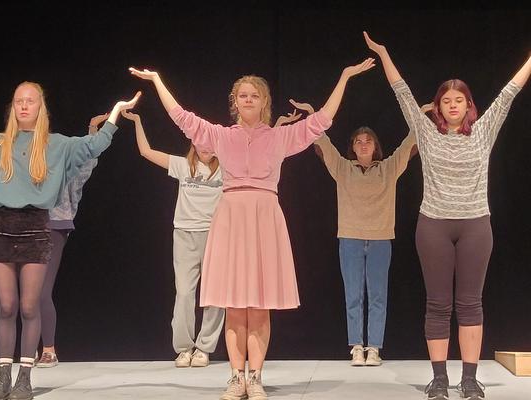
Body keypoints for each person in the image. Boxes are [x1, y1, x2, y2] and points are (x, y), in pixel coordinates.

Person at [129, 58, 375, 400]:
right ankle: (235, 377)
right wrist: (157, 81)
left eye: (254, 96)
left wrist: (345, 76)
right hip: (231, 219)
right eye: (242, 96)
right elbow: (181, 118)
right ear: (234, 102)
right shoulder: (219, 136)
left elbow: (321, 122)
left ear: (264, 103)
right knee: (234, 305)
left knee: (259, 306)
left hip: (264, 218)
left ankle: (255, 377)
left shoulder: (279, 137)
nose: (248, 100)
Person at [0, 82, 140, 400]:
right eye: (18, 101)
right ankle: (3, 378)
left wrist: (115, 112)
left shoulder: (57, 146)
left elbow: (95, 145)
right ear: (12, 107)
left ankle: (24, 378)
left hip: (37, 227)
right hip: (0, 227)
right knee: (6, 306)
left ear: (41, 108)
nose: (24, 106)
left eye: (30, 101)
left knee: (30, 306)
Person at [364, 31, 531, 399]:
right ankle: (439, 379)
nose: (452, 104)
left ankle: (469, 380)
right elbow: (401, 92)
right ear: (437, 106)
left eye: (459, 99)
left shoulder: (484, 131)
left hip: (475, 225)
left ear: (468, 105)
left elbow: (509, 92)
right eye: (446, 100)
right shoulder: (425, 132)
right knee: (438, 303)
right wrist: (384, 53)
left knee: (471, 303)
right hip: (434, 226)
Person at [289, 96, 417, 367]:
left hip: (381, 238)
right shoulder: (343, 168)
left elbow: (410, 143)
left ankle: (374, 348)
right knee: (354, 294)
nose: (363, 144)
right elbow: (321, 141)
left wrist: (420, 115)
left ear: (375, 145)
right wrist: (313, 116)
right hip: (349, 238)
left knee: (378, 295)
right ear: (352, 147)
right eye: (358, 141)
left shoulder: (389, 168)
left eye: (368, 140)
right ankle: (356, 346)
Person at [123, 109, 225, 368]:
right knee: (184, 293)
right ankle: (184, 348)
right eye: (201, 141)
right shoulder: (182, 165)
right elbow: (146, 152)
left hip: (215, 237)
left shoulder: (226, 170)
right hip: (184, 235)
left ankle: (204, 348)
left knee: (214, 296)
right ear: (193, 141)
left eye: (211, 143)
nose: (206, 147)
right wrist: (137, 120)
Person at [35, 112, 110, 368]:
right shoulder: (22, 155)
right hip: (25, 225)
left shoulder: (63, 154)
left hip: (55, 224)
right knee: (26, 294)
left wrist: (92, 129)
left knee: (42, 290)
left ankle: (48, 349)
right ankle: (29, 349)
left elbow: (87, 160)